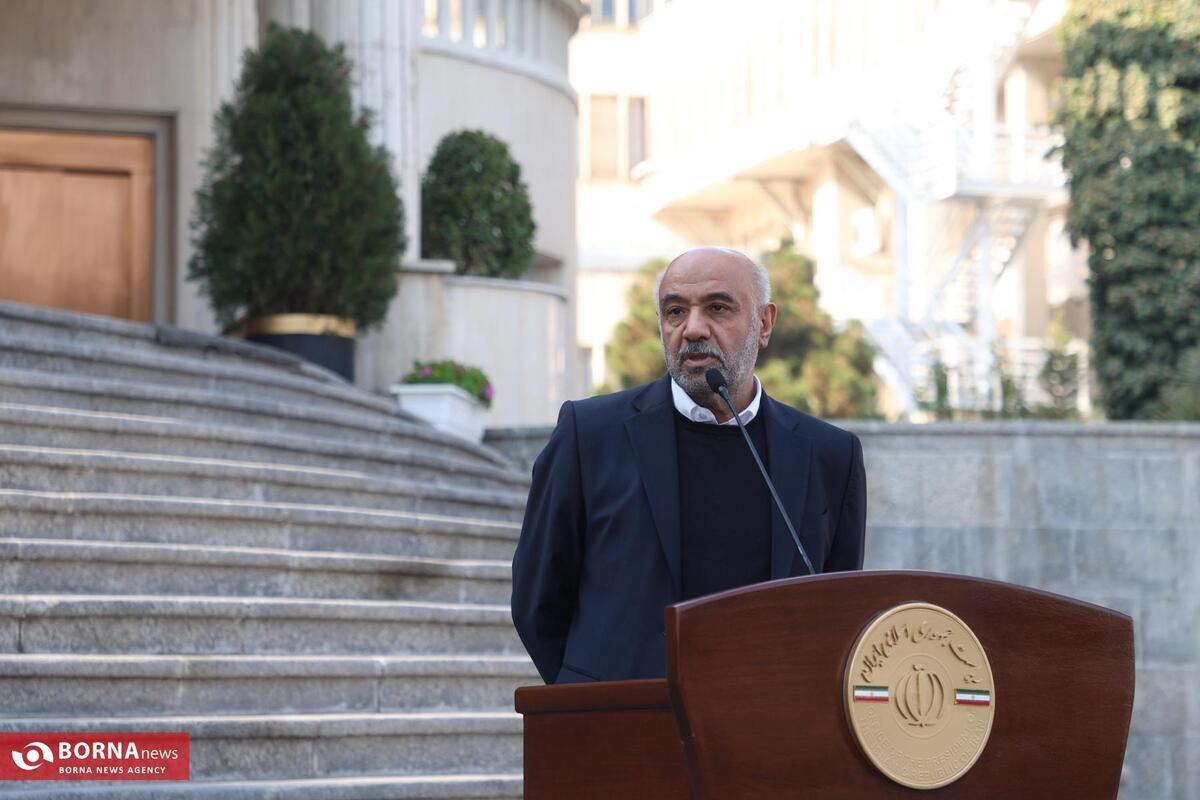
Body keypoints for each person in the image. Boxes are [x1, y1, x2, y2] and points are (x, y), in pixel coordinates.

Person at [511, 246, 866, 684]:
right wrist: (588, 695)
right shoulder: (589, 435)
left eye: (718, 308)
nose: (693, 328)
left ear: (764, 323)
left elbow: (839, 612)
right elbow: (537, 601)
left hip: (767, 716)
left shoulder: (830, 455)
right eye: (675, 311)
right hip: (621, 714)